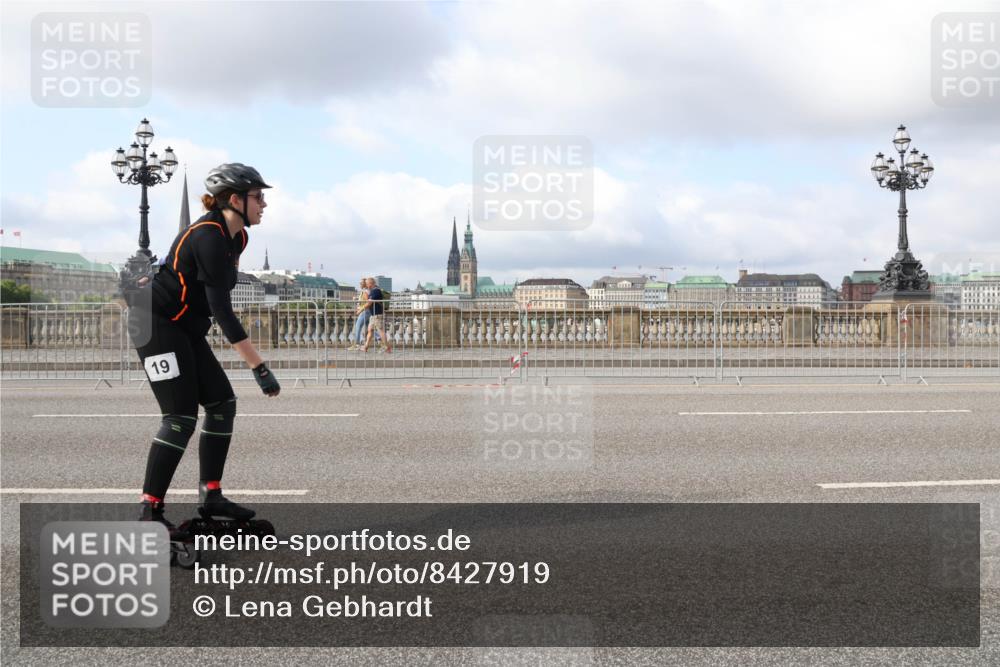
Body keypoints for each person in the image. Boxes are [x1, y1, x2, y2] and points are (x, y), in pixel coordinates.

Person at [129, 163, 281, 531]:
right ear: (234, 200)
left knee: (221, 403)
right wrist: (260, 368)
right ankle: (150, 511)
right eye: (258, 197)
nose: (264, 204)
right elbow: (223, 311)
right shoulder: (209, 235)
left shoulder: (237, 238)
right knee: (179, 417)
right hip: (154, 324)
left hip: (185, 327)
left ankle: (210, 494)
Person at [360, 277, 391, 353]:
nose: (366, 285)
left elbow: (369, 302)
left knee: (381, 331)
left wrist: (360, 309)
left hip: (377, 315)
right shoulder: (373, 291)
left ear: (371, 283)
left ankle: (387, 347)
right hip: (373, 315)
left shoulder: (376, 291)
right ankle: (365, 347)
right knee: (370, 330)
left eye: (367, 284)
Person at [347, 278, 370, 351]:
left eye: (361, 283)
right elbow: (363, 302)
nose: (359, 284)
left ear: (364, 284)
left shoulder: (365, 291)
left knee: (358, 326)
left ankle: (356, 344)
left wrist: (360, 310)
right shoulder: (364, 291)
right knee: (371, 329)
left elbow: (367, 303)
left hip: (365, 311)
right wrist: (357, 300)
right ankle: (383, 342)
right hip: (366, 311)